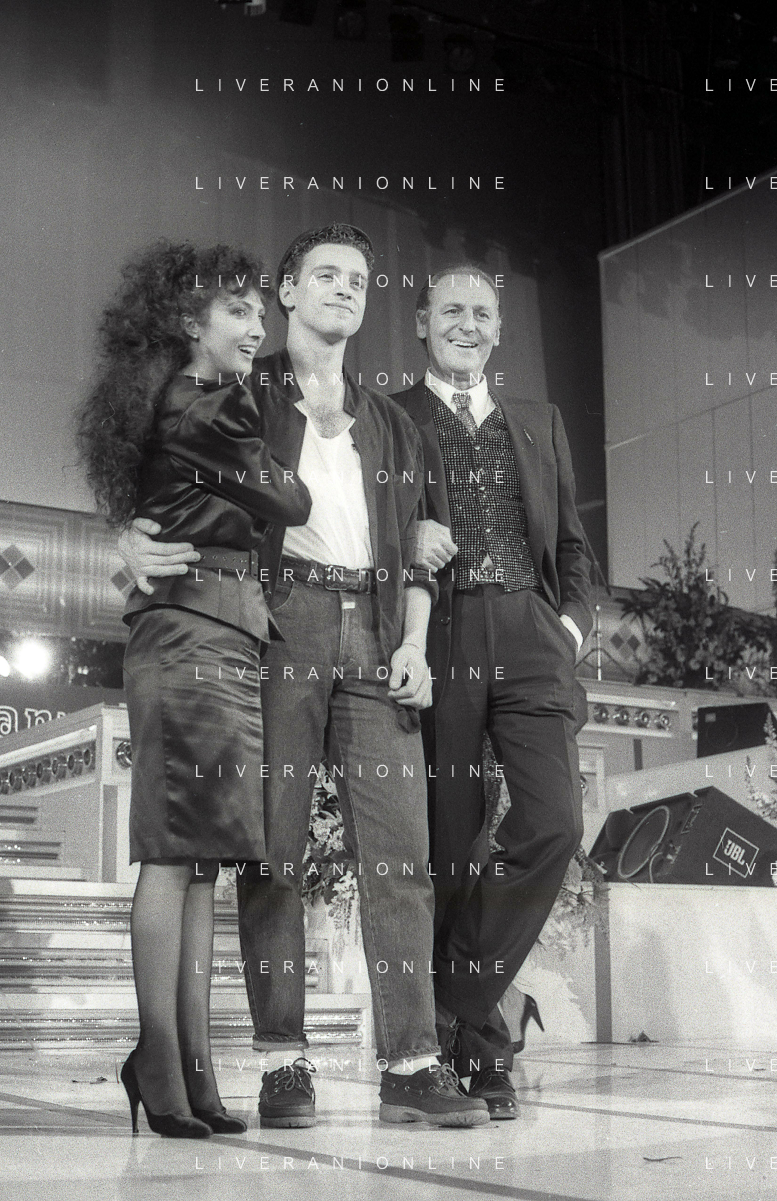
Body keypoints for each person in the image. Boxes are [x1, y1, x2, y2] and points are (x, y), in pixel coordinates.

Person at [116, 224, 489, 1129]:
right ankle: (283, 1062)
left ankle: (411, 1062)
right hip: (276, 621)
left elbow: (423, 551)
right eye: (324, 275)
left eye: (358, 278)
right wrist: (123, 539)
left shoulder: (394, 421)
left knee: (400, 855)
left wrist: (413, 642)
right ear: (286, 291)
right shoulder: (241, 385)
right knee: (271, 851)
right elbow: (147, 468)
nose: (344, 289)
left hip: (376, 629)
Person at [76, 240, 311, 1138]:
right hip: (188, 633)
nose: (256, 327)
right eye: (238, 310)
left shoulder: (205, 402)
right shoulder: (203, 404)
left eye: (259, 312)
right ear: (188, 322)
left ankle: (193, 1074)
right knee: (175, 856)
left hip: (219, 630)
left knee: (202, 861)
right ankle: (160, 1063)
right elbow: (290, 500)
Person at [390, 265, 592, 1119]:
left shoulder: (539, 421)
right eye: (451, 311)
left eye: (482, 312)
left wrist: (569, 627)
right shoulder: (390, 415)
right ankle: (477, 1048)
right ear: (421, 322)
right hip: (438, 629)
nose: (466, 324)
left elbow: (572, 545)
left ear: (499, 329)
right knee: (449, 843)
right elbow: (366, 525)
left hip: (530, 630)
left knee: (553, 823)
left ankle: (454, 1000)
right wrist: (407, 536)